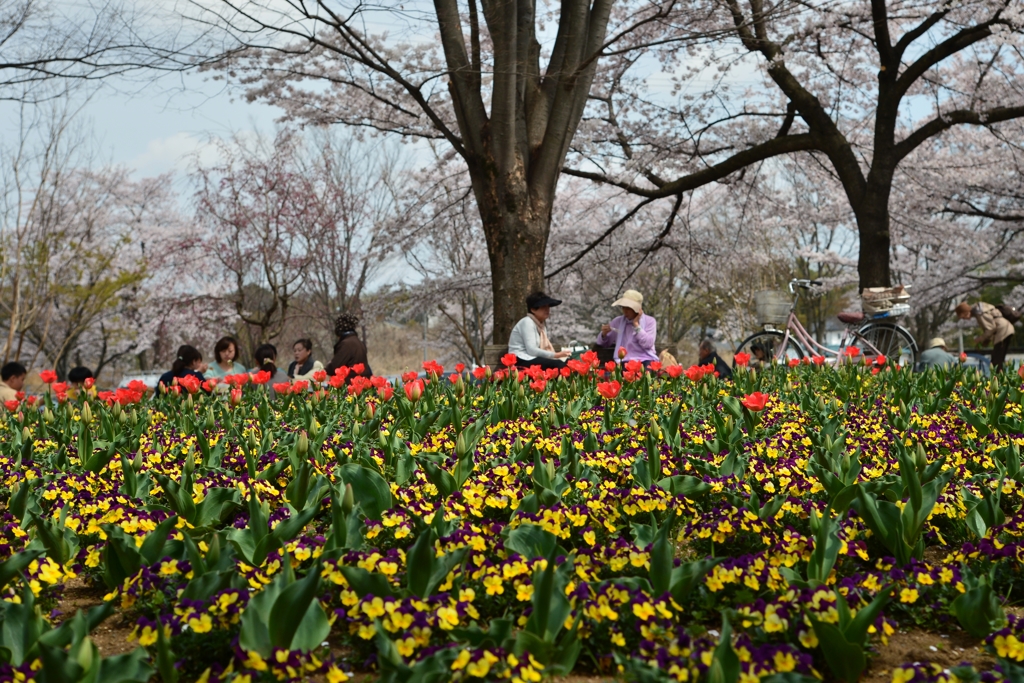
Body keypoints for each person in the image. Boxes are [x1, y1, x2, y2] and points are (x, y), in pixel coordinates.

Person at [507, 292, 570, 370]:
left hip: (533, 357)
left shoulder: (541, 325)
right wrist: (555, 355)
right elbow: (532, 350)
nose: (547, 309)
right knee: (558, 364)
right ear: (533, 309)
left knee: (570, 362)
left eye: (548, 306)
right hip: (521, 359)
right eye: (543, 306)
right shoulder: (527, 322)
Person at [595, 289, 658, 365]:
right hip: (624, 361)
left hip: (645, 360)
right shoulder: (618, 322)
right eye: (623, 307)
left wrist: (636, 325)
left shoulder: (650, 321)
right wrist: (604, 334)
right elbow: (604, 343)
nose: (625, 311)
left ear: (637, 309)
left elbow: (648, 344)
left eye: (628, 308)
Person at [956, 301, 1015, 372]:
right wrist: (985, 341)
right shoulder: (980, 309)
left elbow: (991, 328)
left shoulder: (979, 312)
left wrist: (980, 339)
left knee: (996, 361)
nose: (964, 319)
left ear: (964, 313)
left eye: (963, 317)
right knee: (998, 359)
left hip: (1002, 332)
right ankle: (1000, 378)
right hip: (1006, 329)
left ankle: (999, 380)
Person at [325, 314, 373, 379]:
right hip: (362, 382)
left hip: (351, 384)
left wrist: (326, 369)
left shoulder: (346, 344)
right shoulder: (358, 342)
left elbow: (334, 367)